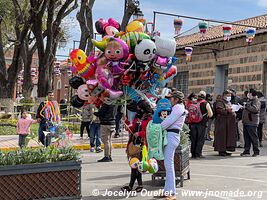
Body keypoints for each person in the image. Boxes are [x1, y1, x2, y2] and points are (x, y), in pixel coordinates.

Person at [159, 91, 187, 200]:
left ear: (176, 99)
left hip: (172, 135)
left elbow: (168, 122)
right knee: (168, 164)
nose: (169, 100)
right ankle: (168, 191)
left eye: (171, 98)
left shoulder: (178, 108)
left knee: (169, 165)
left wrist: (157, 128)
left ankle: (172, 192)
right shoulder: (178, 107)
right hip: (171, 135)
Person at [121, 100, 153, 193]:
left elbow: (149, 132)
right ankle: (134, 185)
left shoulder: (149, 119)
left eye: (139, 108)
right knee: (134, 166)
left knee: (138, 166)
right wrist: (126, 122)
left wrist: (140, 133)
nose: (138, 109)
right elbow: (132, 128)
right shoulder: (137, 117)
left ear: (144, 108)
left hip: (143, 145)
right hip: (134, 144)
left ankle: (136, 185)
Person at [188, 91, 213, 159]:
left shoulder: (193, 102)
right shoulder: (205, 103)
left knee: (193, 140)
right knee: (200, 139)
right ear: (204, 96)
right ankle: (198, 154)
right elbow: (210, 114)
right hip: (202, 124)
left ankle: (193, 154)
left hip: (192, 123)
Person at [213, 90, 236, 156]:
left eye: (230, 96)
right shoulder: (220, 101)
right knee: (221, 136)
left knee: (226, 136)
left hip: (228, 122)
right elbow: (219, 110)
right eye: (228, 95)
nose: (229, 97)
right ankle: (221, 150)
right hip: (222, 122)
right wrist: (227, 110)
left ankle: (225, 149)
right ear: (224, 95)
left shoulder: (228, 102)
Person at [241, 89, 260, 157]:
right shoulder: (249, 100)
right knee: (246, 138)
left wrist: (246, 106)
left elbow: (255, 109)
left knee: (253, 138)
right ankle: (246, 151)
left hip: (252, 122)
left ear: (252, 94)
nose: (248, 95)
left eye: (249, 94)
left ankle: (256, 152)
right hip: (246, 122)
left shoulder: (256, 101)